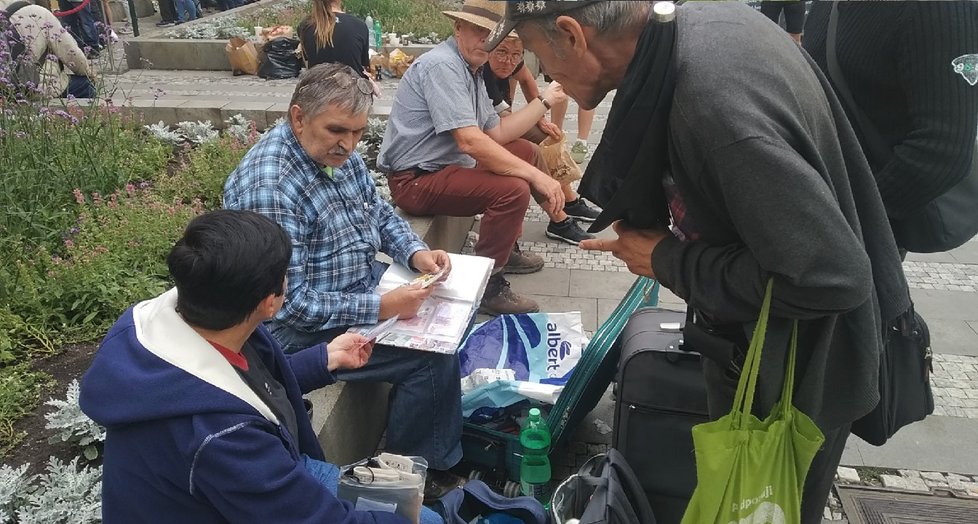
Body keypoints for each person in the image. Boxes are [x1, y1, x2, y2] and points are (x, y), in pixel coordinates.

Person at [487, 2, 910, 523]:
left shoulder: (713, 103)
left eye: (539, 53)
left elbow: (831, 278)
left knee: (762, 506)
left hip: (797, 378)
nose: (546, 76)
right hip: (768, 348)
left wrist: (666, 259)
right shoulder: (699, 26)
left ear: (573, 34)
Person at [79, 209, 432, 523]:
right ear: (270, 303)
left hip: (244, 488)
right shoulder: (223, 437)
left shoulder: (192, 317)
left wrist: (324, 359)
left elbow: (244, 387)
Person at [223, 63, 465, 502]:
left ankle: (423, 439)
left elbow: (378, 210)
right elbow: (288, 304)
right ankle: (415, 478)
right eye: (337, 130)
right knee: (430, 358)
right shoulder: (273, 186)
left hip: (352, 281)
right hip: (297, 327)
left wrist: (415, 252)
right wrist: (382, 307)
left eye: (357, 132)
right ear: (298, 117)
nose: (349, 144)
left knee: (445, 304)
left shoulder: (335, 154)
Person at [377, 0, 589, 315]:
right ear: (457, 27)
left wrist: (541, 111)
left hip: (443, 167)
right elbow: (470, 141)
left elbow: (499, 133)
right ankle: (489, 286)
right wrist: (536, 176)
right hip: (415, 180)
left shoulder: (470, 69)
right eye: (479, 31)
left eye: (493, 33)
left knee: (526, 151)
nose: (486, 40)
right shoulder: (442, 66)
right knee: (512, 190)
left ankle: (510, 248)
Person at [803, 1, 978, 254]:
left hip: (858, 229)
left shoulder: (937, 7)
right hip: (816, 200)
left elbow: (943, 149)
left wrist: (849, 221)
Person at [484, 32, 600, 223]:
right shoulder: (483, 72)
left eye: (516, 55)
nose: (508, 61)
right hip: (484, 132)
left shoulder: (512, 62)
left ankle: (569, 201)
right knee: (530, 151)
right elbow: (504, 124)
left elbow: (528, 80)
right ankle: (558, 219)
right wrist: (543, 103)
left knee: (548, 136)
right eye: (501, 52)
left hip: (498, 124)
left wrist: (541, 119)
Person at [1, 0, 96, 99]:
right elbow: (71, 53)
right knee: (86, 85)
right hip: (34, 87)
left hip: (4, 90)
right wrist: (89, 73)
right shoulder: (37, 12)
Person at [299, 0, 370, 76]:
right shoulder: (359, 25)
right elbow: (363, 65)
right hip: (350, 85)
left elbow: (307, 63)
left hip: (317, 85)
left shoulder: (305, 26)